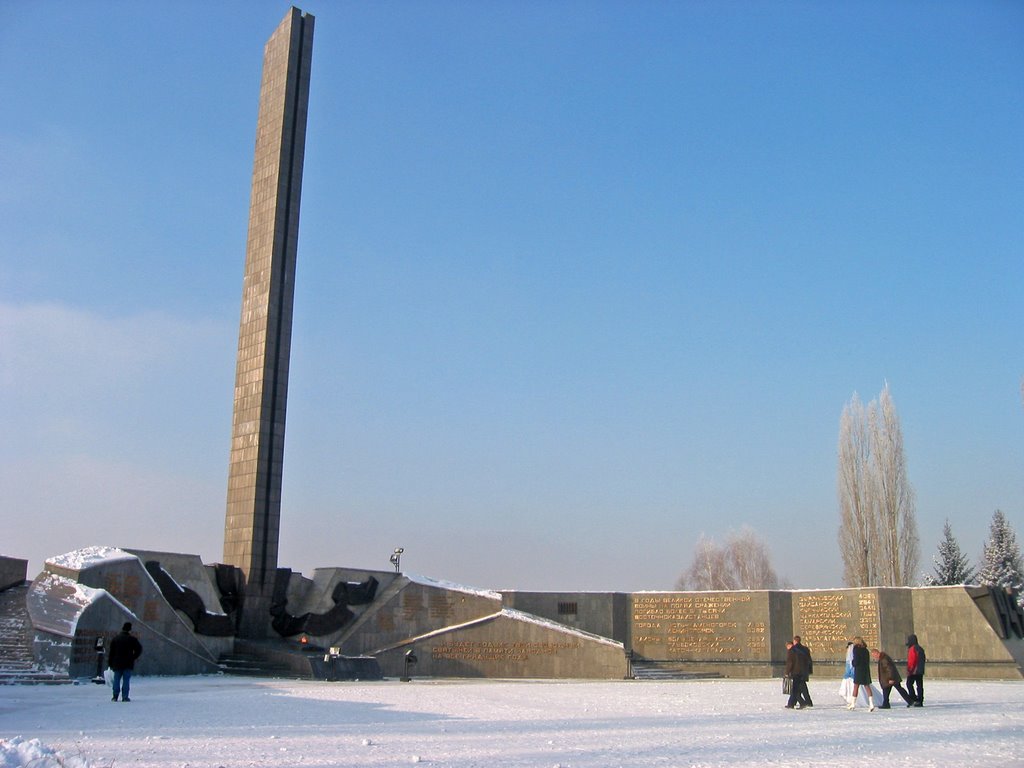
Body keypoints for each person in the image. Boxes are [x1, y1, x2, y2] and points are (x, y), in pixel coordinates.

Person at [108, 621, 143, 702]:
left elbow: (111, 652)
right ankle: (125, 697)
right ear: (130, 630)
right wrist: (133, 657)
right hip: (128, 663)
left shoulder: (116, 639)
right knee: (126, 680)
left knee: (116, 680)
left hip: (117, 663)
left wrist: (110, 663)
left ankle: (115, 696)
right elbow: (139, 649)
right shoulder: (132, 639)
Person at [784, 635, 813, 709]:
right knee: (803, 688)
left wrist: (787, 672)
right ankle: (806, 702)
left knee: (795, 689)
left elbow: (790, 663)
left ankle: (801, 703)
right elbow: (809, 661)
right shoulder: (805, 649)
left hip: (796, 672)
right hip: (804, 672)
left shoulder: (792, 650)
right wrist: (809, 671)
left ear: (794, 641)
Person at [847, 636, 875, 711]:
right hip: (866, 669)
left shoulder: (856, 650)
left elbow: (856, 661)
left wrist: (853, 663)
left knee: (856, 686)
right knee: (867, 686)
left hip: (859, 670)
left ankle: (853, 703)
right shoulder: (866, 650)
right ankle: (871, 703)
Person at [906, 633, 926, 707]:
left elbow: (912, 660)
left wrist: (910, 670)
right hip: (920, 670)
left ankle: (913, 699)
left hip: (914, 671)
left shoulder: (912, 649)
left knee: (909, 684)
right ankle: (920, 700)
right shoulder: (920, 648)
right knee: (919, 686)